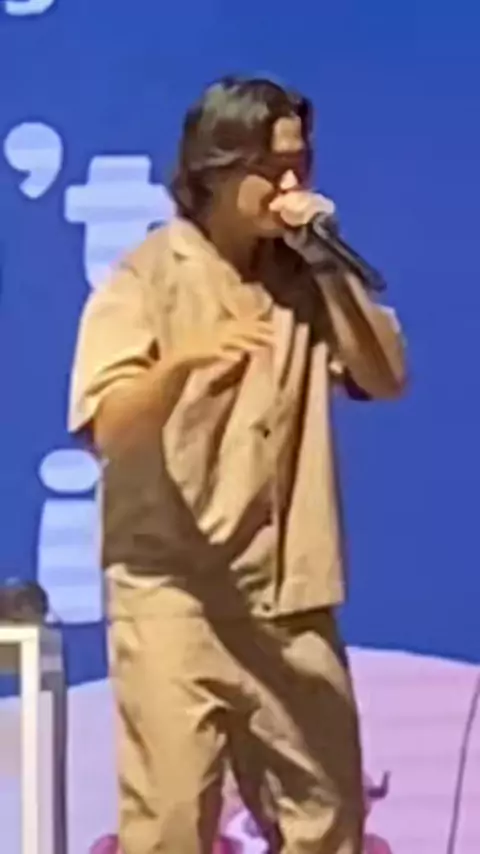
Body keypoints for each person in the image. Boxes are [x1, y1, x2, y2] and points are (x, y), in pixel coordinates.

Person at [69, 75, 407, 854]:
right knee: (172, 823)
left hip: (289, 598)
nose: (291, 186)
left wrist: (329, 266)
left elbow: (386, 377)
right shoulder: (145, 278)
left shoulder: (306, 279)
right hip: (175, 596)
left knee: (327, 818)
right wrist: (182, 364)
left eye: (301, 164)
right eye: (271, 169)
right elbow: (110, 424)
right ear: (216, 170)